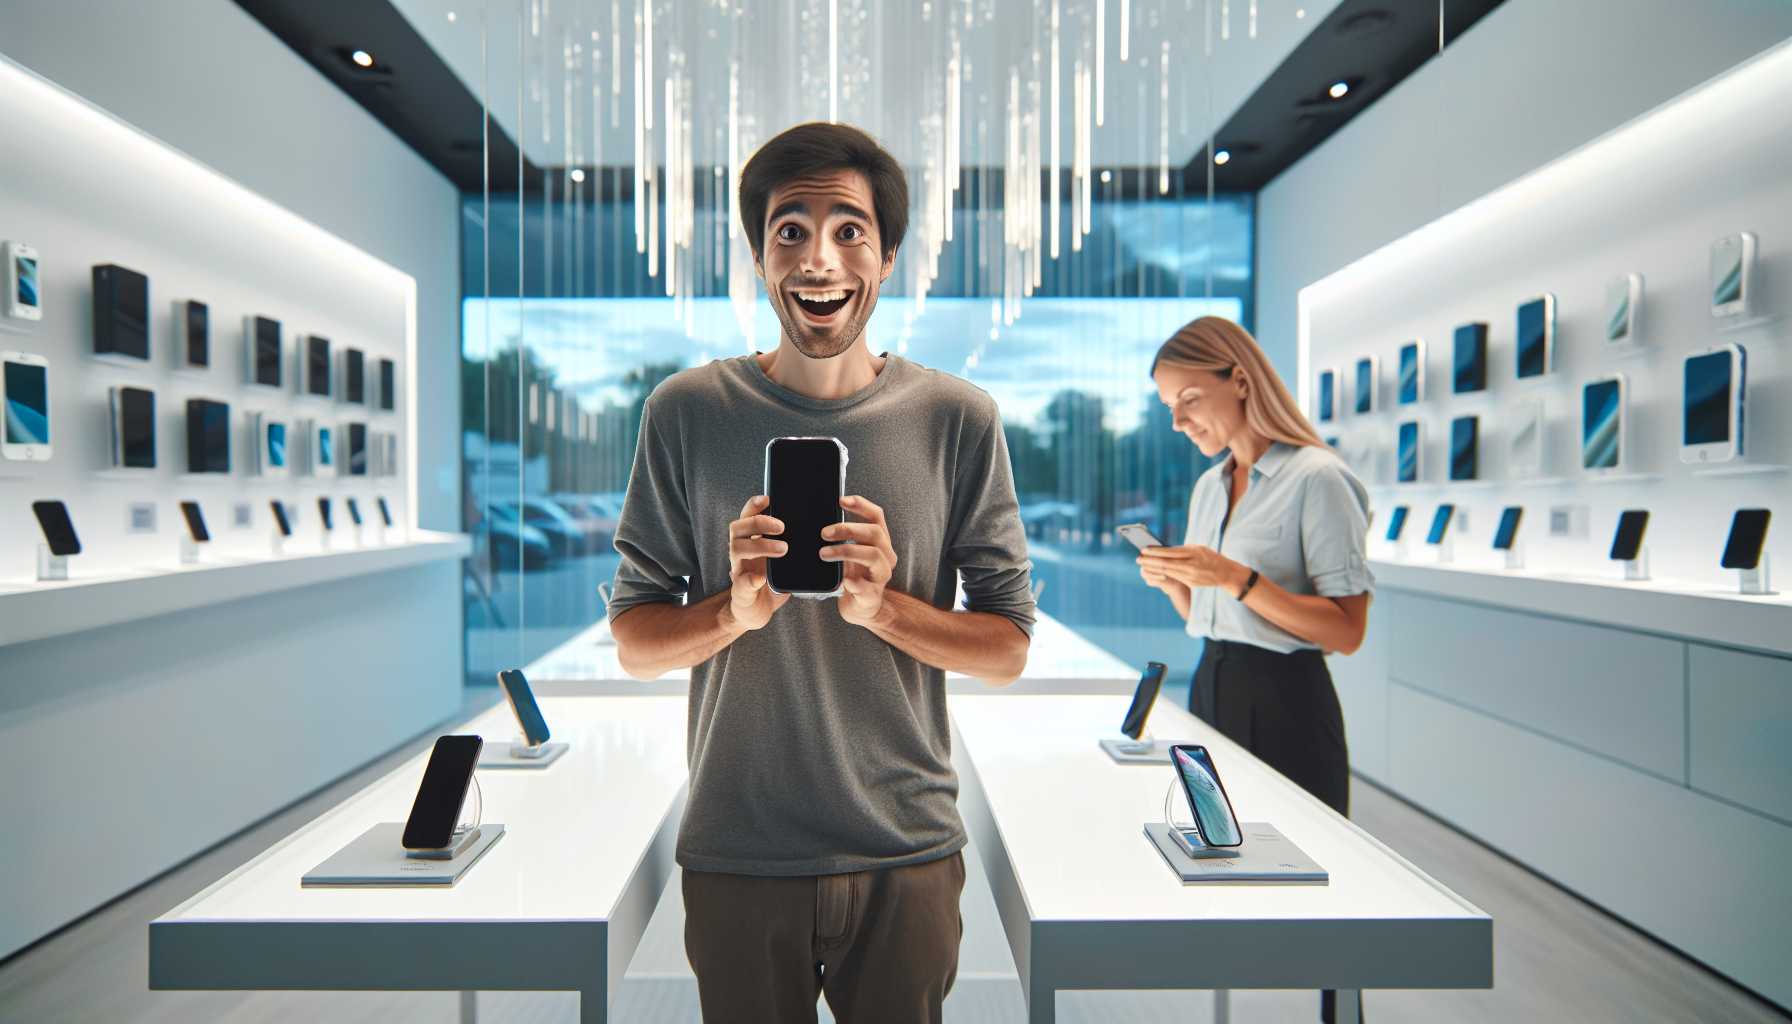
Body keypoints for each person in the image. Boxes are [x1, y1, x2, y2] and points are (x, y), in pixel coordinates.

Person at [607, 121, 1036, 1024]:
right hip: (739, 848)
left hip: (906, 848)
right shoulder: (685, 411)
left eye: (848, 230)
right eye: (789, 231)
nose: (818, 260)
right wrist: (735, 611)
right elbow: (636, 643)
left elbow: (1006, 649)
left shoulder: (957, 418)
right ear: (760, 260)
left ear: (886, 259)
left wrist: (885, 610)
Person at [1136, 315, 1372, 1024]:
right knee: (1216, 870)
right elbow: (1206, 617)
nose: (1178, 421)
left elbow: (1347, 630)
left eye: (1188, 400)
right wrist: (1177, 581)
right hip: (1213, 684)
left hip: (1288, 700)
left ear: (1238, 380)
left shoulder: (1319, 479)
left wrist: (1235, 579)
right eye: (1166, 408)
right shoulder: (1212, 486)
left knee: (1318, 894)